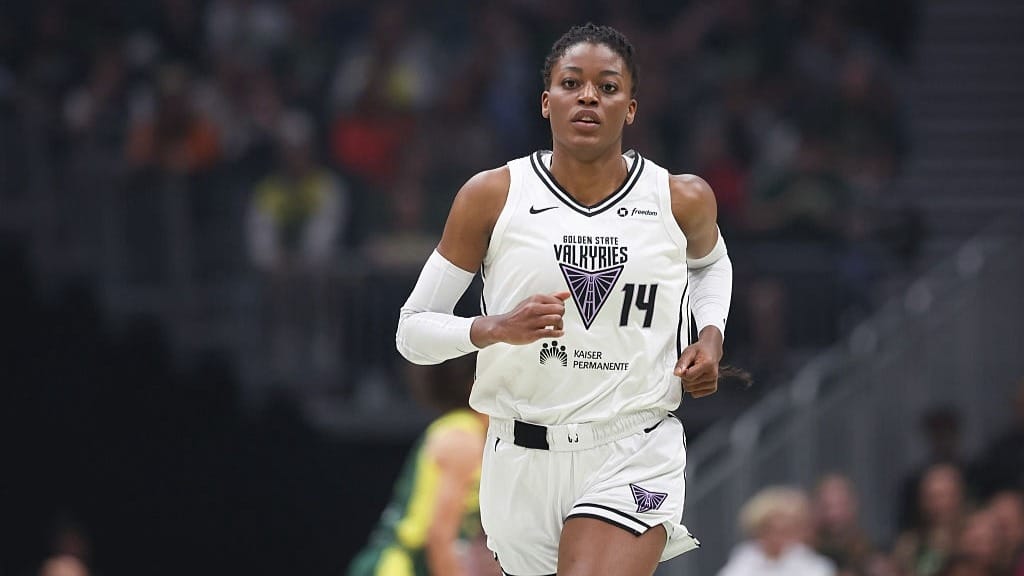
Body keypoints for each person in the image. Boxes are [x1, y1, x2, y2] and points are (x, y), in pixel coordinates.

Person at [395, 23, 735, 576]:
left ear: (630, 109)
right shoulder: (492, 196)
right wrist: (494, 327)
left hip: (633, 447)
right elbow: (412, 332)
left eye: (608, 87)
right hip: (519, 456)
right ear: (545, 101)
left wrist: (710, 334)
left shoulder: (680, 198)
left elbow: (712, 263)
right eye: (572, 83)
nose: (588, 97)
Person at [347, 356, 497, 576]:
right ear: (478, 383)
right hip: (398, 568)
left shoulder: (459, 429)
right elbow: (439, 537)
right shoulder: (462, 438)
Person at [716, 486, 836, 576]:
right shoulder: (744, 559)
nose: (777, 537)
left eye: (786, 530)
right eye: (770, 529)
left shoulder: (815, 566)